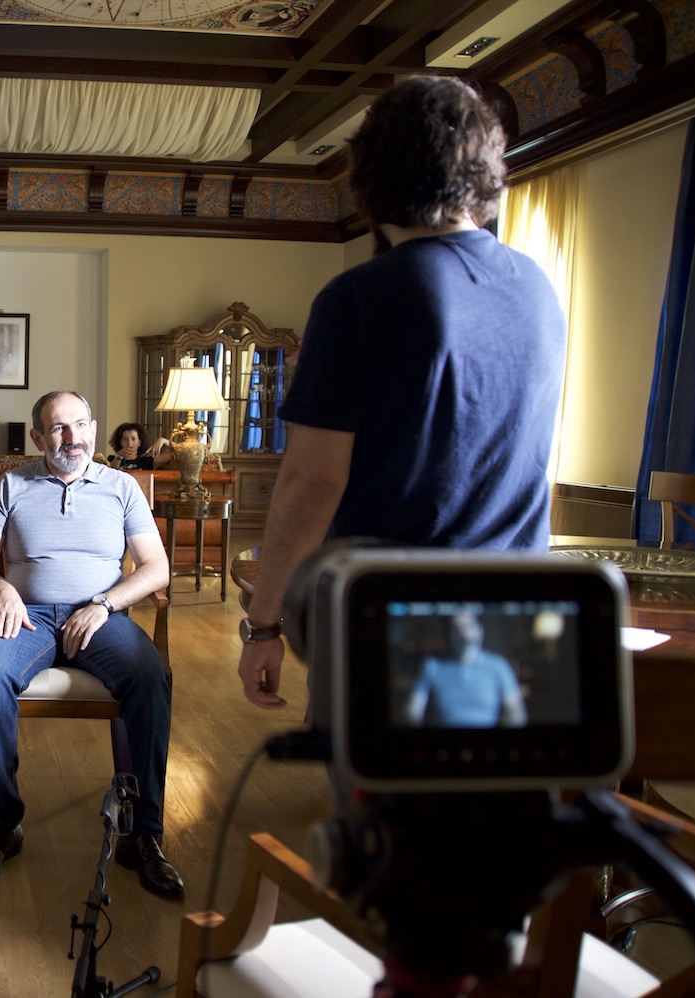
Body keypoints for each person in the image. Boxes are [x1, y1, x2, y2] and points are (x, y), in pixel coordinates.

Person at [235, 76, 567, 712]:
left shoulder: (360, 298)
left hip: (395, 622)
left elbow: (311, 482)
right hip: (524, 615)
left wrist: (265, 625)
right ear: (486, 172)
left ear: (371, 177)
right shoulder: (538, 290)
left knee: (385, 809)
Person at [0, 390, 184, 898]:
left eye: (80, 424)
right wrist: (2, 588)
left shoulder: (123, 488)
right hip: (29, 617)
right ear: (38, 437)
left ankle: (142, 836)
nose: (72, 437)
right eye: (58, 428)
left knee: (149, 676)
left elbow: (156, 568)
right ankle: (1, 824)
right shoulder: (12, 486)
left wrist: (104, 603)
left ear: (94, 426)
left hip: (99, 616)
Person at [404, 611, 528, 728]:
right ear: (450, 634)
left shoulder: (499, 666)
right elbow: (413, 713)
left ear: (480, 631)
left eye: (469, 627)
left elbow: (516, 713)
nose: (464, 634)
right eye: (457, 628)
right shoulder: (432, 667)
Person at [106, 421, 171, 471]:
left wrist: (164, 440)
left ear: (139, 442)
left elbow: (179, 452)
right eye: (125, 439)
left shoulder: (146, 461)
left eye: (133, 439)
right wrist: (119, 456)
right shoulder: (112, 459)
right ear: (120, 442)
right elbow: (110, 472)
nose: (129, 443)